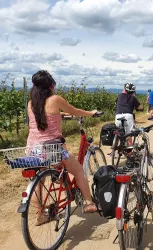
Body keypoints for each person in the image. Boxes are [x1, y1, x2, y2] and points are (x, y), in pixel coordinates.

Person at [26, 70, 98, 225]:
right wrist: (91, 113)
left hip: (32, 149)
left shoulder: (31, 102)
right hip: (51, 149)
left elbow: (43, 116)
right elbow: (75, 111)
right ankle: (88, 203)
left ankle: (41, 215)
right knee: (78, 170)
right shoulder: (55, 99)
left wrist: (60, 115)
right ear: (51, 86)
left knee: (38, 180)